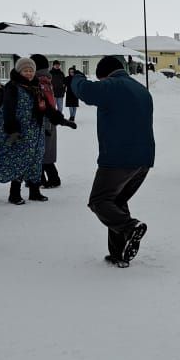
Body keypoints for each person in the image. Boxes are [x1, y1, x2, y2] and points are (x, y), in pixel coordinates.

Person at [69, 56, 155, 268]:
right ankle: (119, 253)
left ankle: (130, 227)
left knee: (99, 201)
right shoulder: (141, 89)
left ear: (104, 74)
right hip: (144, 159)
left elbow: (85, 92)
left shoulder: (113, 85)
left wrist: (76, 78)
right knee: (115, 202)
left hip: (118, 158)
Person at [0, 58, 74, 204]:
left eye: (31, 71)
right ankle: (14, 194)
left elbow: (46, 107)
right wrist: (13, 130)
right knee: (19, 161)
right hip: (20, 131)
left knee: (36, 160)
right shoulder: (12, 86)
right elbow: (8, 109)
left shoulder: (36, 87)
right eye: (25, 71)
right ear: (19, 71)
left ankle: (35, 192)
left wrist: (61, 120)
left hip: (36, 131)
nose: (29, 73)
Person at [31, 54, 73, 189]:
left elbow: (48, 103)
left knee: (42, 153)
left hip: (45, 121)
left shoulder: (40, 82)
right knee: (43, 152)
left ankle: (50, 179)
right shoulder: (45, 79)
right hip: (48, 120)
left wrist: (47, 123)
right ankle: (40, 179)